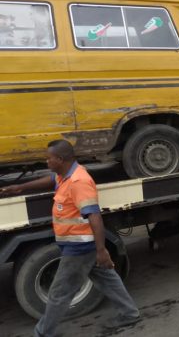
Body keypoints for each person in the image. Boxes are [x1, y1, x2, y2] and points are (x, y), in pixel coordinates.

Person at [0, 140, 140, 337]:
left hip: (80, 247)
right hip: (76, 244)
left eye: (49, 158)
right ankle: (130, 313)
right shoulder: (66, 174)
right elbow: (51, 179)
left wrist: (102, 250)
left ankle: (43, 333)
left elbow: (94, 216)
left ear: (60, 159)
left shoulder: (79, 182)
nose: (46, 161)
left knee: (58, 293)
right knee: (108, 280)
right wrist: (20, 188)